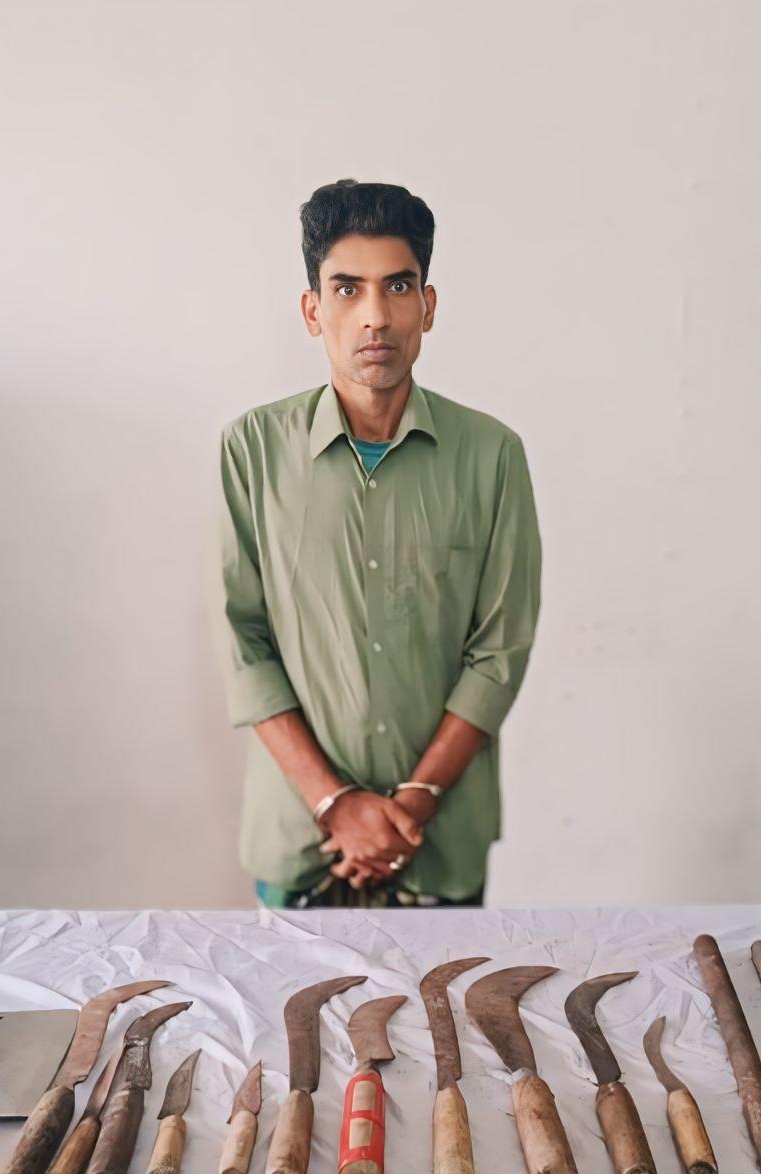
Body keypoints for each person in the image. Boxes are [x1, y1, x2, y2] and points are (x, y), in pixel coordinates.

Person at [217, 179, 541, 908]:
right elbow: (243, 642)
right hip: (299, 840)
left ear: (428, 305)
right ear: (313, 310)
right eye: (346, 289)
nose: (375, 316)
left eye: (398, 286)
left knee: (450, 991)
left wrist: (412, 804)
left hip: (438, 843)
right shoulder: (252, 450)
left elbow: (500, 650)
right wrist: (336, 805)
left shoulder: (493, 456)